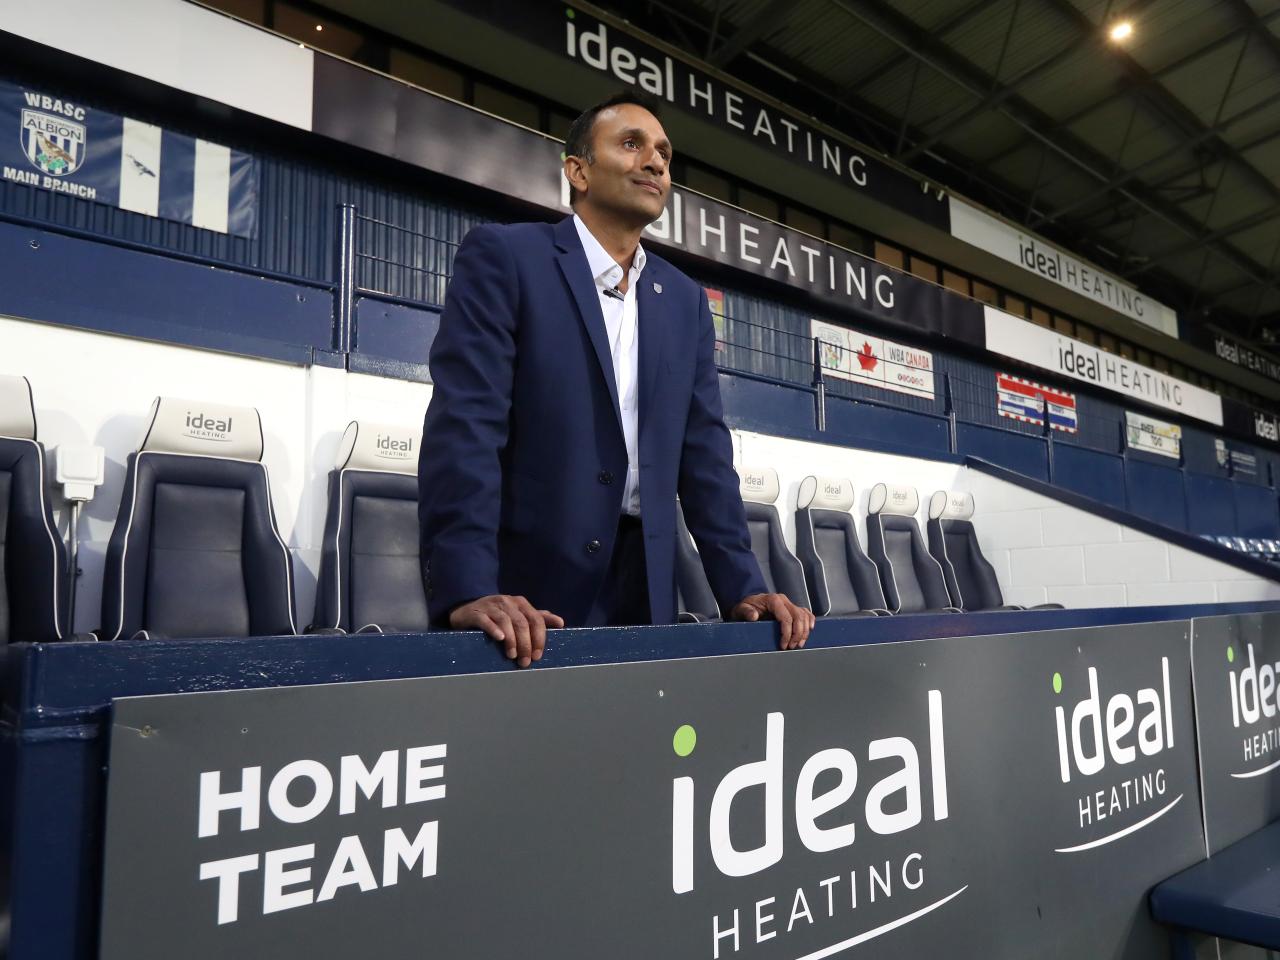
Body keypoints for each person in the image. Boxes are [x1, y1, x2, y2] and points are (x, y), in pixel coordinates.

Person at [418, 92, 814, 666]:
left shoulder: (683, 300)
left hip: (646, 584)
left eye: (664, 153)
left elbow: (704, 456)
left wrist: (743, 587)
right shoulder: (506, 257)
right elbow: (466, 428)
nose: (655, 161)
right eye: (631, 144)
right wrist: (469, 588)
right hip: (525, 595)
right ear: (578, 171)